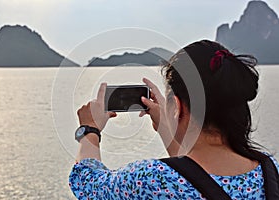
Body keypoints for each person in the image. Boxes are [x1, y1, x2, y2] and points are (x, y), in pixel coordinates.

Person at [69, 40, 279, 199]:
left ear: (177, 106)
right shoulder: (271, 171)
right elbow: (194, 175)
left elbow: (87, 183)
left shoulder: (151, 179)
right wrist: (166, 128)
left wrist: (90, 129)